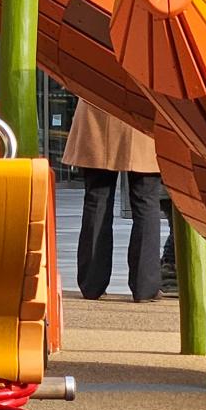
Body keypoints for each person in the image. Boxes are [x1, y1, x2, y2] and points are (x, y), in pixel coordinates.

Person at [62, 100, 163, 301]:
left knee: (96, 198)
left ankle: (92, 284)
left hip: (98, 105)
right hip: (143, 110)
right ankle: (145, 287)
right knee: (146, 201)